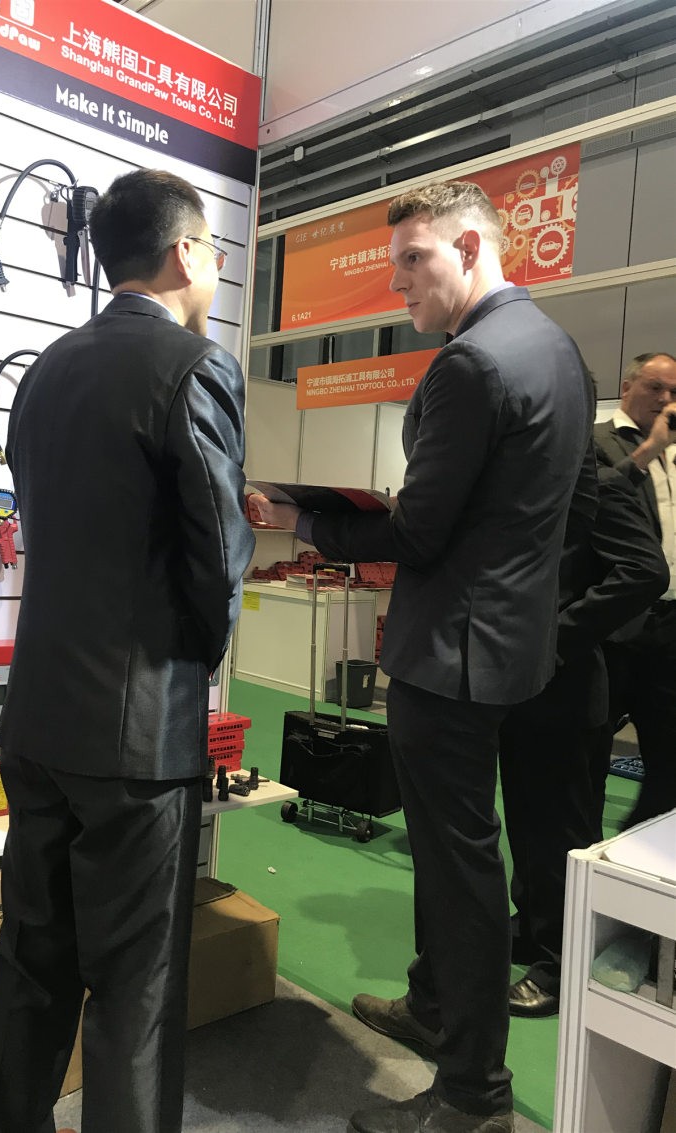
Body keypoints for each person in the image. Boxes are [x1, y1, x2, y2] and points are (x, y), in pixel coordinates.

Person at [250, 179, 592, 1133]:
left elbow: (419, 532)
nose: (398, 282)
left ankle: (474, 1093)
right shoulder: (557, 349)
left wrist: (303, 518)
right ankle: (434, 1004)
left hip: (451, 654)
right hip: (513, 646)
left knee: (458, 870)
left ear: (472, 248)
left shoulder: (471, 363)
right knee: (466, 855)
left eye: (415, 259)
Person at [0, 169, 255, 1133]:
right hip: (138, 733)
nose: (216, 265)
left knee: (31, 964)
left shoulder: (47, 369)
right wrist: (198, 659)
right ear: (186, 252)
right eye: (215, 248)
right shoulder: (193, 366)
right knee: (136, 988)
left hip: (39, 714)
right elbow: (217, 556)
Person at [498, 460, 669, 1019]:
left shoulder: (598, 478)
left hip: (567, 685)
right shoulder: (535, 470)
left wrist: (558, 637)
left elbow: (645, 571)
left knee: (562, 831)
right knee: (528, 819)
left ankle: (561, 961)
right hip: (524, 682)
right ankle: (536, 926)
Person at [592, 352, 676, 829]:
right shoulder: (598, 440)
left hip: (671, 627)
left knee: (669, 753)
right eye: (655, 387)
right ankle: (578, 851)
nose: (665, 399)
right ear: (626, 388)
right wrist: (650, 449)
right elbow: (592, 497)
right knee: (589, 747)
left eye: (674, 392)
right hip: (614, 624)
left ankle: (642, 846)